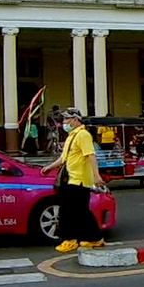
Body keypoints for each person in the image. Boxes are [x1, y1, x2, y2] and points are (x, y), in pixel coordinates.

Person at [41, 107, 106, 252]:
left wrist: (96, 176)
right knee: (78, 211)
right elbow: (64, 158)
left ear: (76, 120)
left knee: (70, 212)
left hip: (79, 180)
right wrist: (49, 167)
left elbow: (90, 155)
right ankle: (94, 238)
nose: (64, 122)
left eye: (67, 119)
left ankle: (70, 240)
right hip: (70, 179)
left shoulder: (83, 135)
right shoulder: (72, 136)